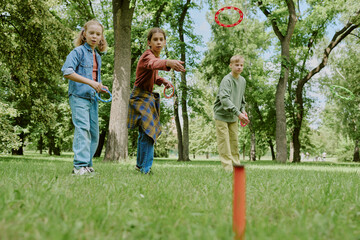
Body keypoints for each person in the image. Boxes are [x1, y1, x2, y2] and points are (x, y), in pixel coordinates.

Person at [127, 28, 186, 174]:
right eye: (155, 39)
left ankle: (140, 166)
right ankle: (146, 169)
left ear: (165, 42)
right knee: (149, 133)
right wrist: (169, 62)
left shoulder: (154, 56)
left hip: (145, 96)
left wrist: (163, 81)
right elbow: (153, 64)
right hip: (140, 96)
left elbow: (152, 74)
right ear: (149, 42)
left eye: (161, 39)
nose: (158, 42)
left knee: (143, 134)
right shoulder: (148, 56)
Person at [61, 20, 109, 175]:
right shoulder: (78, 52)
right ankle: (79, 166)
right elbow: (67, 71)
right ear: (84, 34)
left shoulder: (98, 56)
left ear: (101, 37)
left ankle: (87, 165)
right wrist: (90, 82)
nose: (94, 36)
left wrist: (99, 87)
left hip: (92, 98)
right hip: (78, 96)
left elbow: (94, 79)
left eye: (98, 34)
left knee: (94, 132)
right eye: (91, 33)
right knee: (83, 129)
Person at [213, 55, 249, 172]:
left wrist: (243, 111)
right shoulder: (227, 80)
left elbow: (241, 99)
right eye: (236, 65)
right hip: (221, 115)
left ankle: (236, 166)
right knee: (224, 142)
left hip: (234, 116)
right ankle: (228, 169)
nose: (239, 67)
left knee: (234, 142)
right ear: (231, 65)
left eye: (241, 65)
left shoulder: (242, 81)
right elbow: (224, 100)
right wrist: (238, 113)